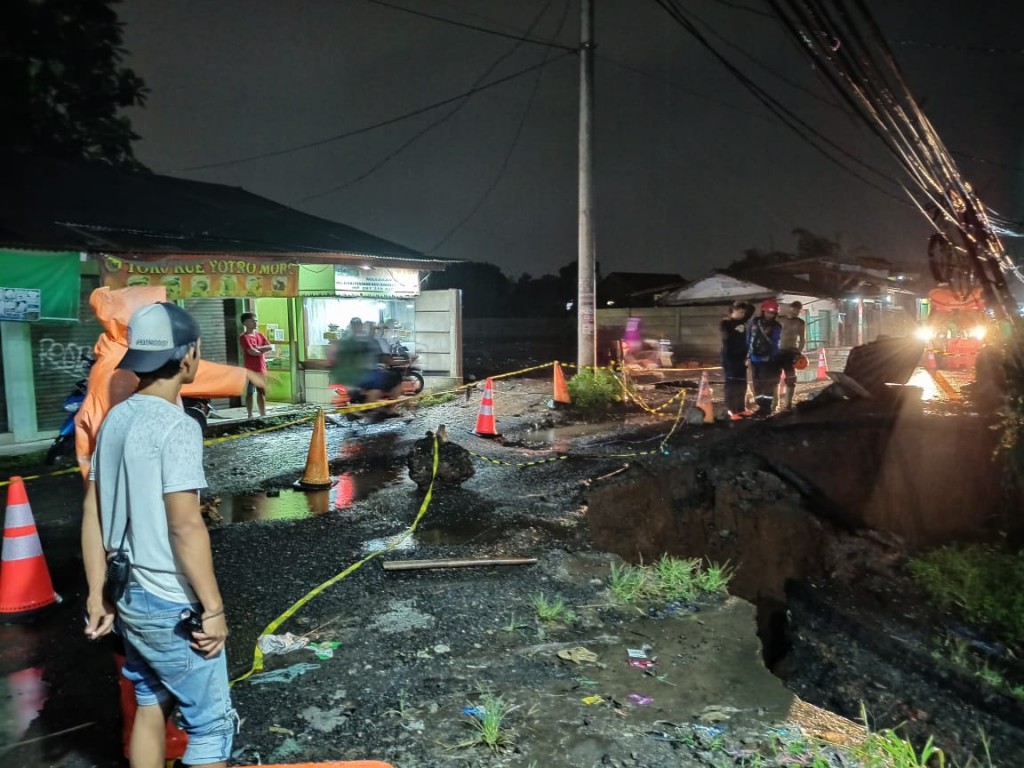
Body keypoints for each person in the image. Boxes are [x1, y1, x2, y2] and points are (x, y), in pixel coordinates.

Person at [82, 302, 234, 768]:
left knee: (151, 703)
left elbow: (92, 513)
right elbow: (185, 524)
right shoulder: (178, 426)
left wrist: (96, 593)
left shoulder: (115, 419)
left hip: (126, 594)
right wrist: (213, 609)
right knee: (211, 726)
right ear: (189, 354)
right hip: (169, 600)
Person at [75, 286, 266, 480]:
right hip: (131, 484)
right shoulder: (176, 425)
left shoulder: (118, 352)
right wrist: (244, 375)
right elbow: (182, 506)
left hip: (109, 487)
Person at [747, 299, 782, 417]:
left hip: (768, 360)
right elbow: (749, 338)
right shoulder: (754, 322)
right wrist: (747, 355)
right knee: (757, 383)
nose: (770, 315)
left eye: (772, 313)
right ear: (763, 311)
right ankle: (760, 406)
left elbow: (776, 343)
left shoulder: (776, 326)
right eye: (768, 312)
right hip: (754, 358)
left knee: (767, 384)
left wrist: (771, 357)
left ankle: (766, 408)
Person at [720, 301, 753, 420]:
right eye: (739, 312)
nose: (742, 314)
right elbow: (726, 338)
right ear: (732, 311)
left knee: (742, 384)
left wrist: (741, 303)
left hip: (741, 357)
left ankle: (741, 408)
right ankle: (732, 410)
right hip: (730, 357)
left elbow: (752, 308)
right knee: (732, 384)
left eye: (743, 312)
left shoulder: (743, 321)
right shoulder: (726, 323)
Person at [239, 312, 272, 418]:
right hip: (250, 370)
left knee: (261, 391)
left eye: (256, 321)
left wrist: (257, 349)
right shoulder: (244, 337)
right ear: (245, 323)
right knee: (249, 392)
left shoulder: (260, 335)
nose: (255, 323)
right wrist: (260, 349)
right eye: (253, 321)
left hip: (261, 368)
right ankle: (250, 414)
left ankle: (263, 413)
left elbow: (269, 347)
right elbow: (251, 352)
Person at [776, 301, 806, 411]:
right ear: (790, 308)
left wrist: (798, 352)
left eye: (798, 311)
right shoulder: (779, 319)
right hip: (778, 352)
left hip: (791, 353)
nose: (796, 312)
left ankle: (787, 405)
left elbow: (802, 339)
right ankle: (775, 404)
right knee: (775, 379)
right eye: (794, 310)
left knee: (791, 379)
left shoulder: (800, 323)